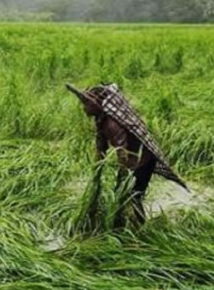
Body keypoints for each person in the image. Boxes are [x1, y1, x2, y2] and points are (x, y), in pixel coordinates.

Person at [66, 83, 188, 228]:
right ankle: (120, 222)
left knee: (134, 195)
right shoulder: (101, 121)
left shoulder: (111, 124)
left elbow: (121, 152)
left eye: (86, 104)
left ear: (96, 105)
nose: (84, 108)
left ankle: (141, 227)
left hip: (143, 161)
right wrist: (96, 173)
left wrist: (122, 175)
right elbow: (101, 147)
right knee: (122, 193)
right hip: (132, 161)